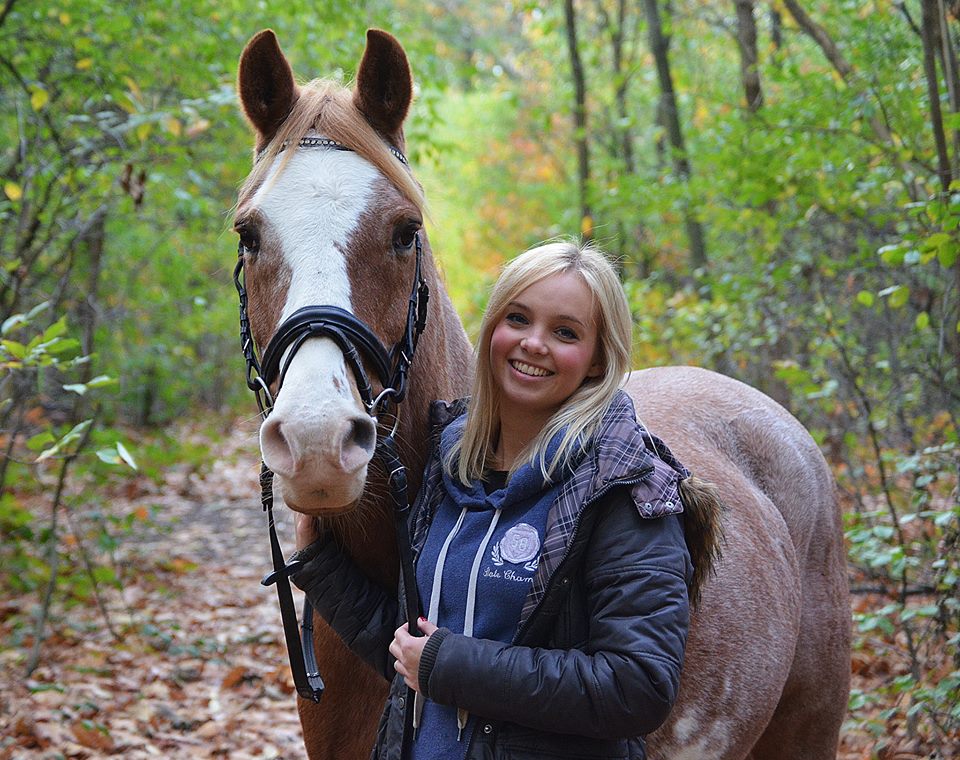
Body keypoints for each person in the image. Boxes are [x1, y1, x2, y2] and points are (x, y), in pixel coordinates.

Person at [291, 239, 712, 760]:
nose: (534, 343)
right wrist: (324, 569)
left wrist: (448, 666)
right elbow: (411, 651)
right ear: (492, 329)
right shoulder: (450, 470)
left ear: (600, 360)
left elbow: (637, 686)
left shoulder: (624, 488)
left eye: (564, 332)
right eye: (518, 318)